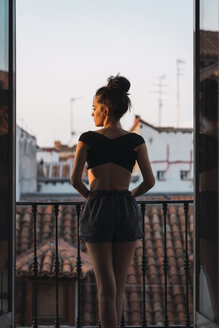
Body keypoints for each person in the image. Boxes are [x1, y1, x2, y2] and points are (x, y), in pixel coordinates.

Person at [70, 74, 155, 328]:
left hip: (98, 209)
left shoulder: (87, 138)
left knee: (105, 289)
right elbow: (149, 182)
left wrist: (93, 199)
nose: (92, 113)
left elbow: (75, 180)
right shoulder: (136, 141)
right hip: (125, 209)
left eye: (94, 108)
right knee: (117, 288)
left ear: (105, 109)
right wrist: (128, 196)